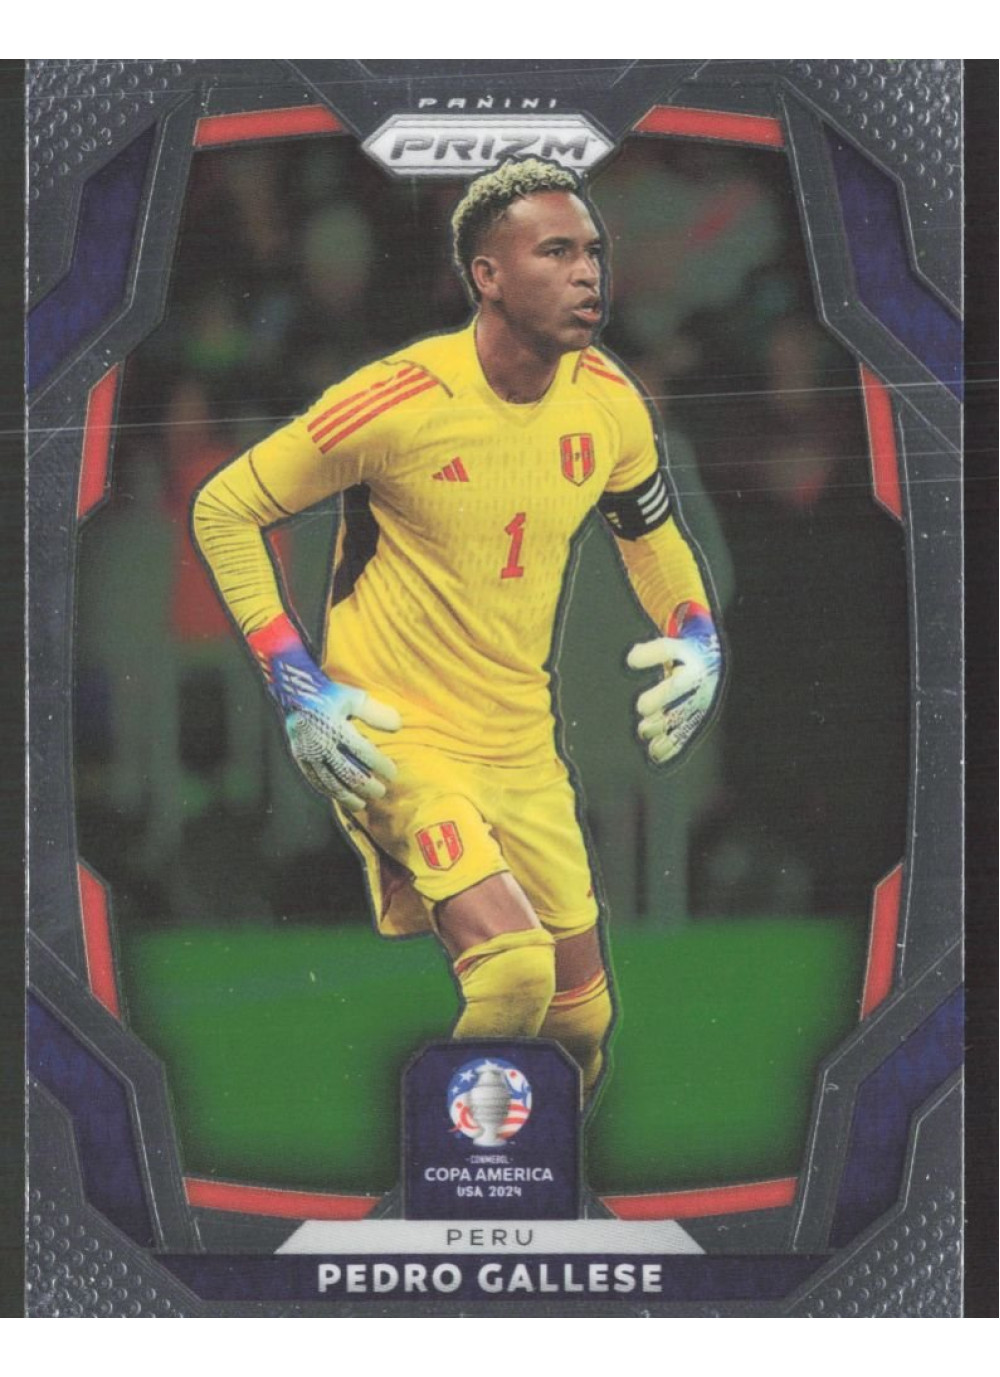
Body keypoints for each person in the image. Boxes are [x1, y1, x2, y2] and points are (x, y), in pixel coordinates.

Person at [192, 157, 721, 1101]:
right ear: (488, 275)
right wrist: (296, 682)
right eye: (555, 252)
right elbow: (224, 507)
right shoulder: (400, 401)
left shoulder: (609, 401)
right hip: (398, 738)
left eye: (592, 251)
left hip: (522, 747)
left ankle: (535, 1169)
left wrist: (697, 631)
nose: (587, 273)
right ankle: (441, 1168)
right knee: (513, 972)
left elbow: (652, 537)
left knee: (583, 1021)